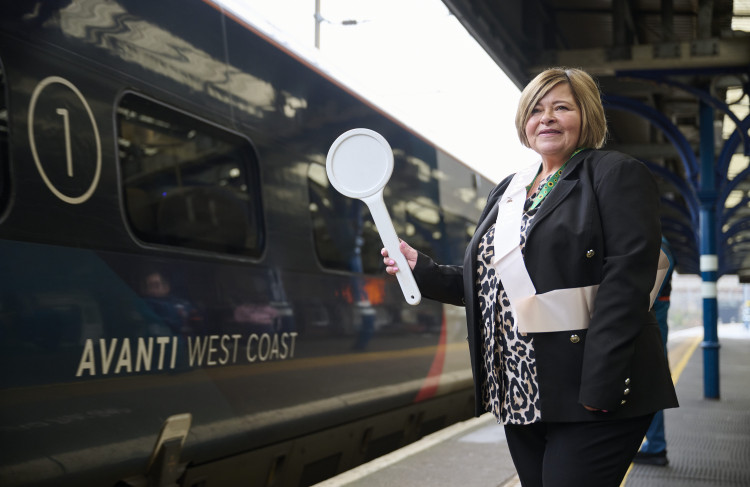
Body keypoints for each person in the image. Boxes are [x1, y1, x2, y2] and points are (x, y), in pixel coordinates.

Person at [381, 67, 678, 487]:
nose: (547, 117)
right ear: (524, 122)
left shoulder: (615, 174)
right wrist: (420, 270)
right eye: (536, 109)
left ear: (587, 115)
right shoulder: (509, 189)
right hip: (521, 389)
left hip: (590, 388)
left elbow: (626, 283)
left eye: (562, 107)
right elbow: (490, 284)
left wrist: (599, 388)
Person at [634, 236, 675, 466]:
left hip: (653, 319)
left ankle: (656, 445)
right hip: (657, 317)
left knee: (650, 379)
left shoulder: (659, 245)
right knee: (650, 378)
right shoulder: (661, 243)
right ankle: (654, 443)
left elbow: (648, 287)